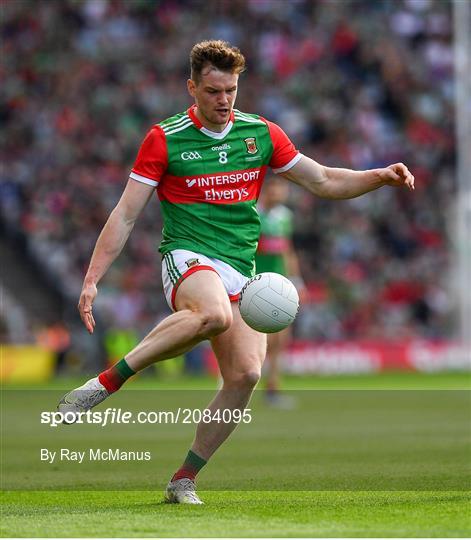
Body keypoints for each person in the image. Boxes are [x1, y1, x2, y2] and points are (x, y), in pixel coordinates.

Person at [58, 40, 414, 504]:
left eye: (230, 90)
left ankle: (183, 479)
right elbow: (126, 214)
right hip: (187, 257)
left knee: (246, 375)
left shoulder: (261, 134)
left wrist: (378, 176)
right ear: (192, 88)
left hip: (241, 272)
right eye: (212, 91)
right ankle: (106, 383)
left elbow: (323, 179)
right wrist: (92, 279)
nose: (224, 100)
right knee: (215, 315)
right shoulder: (163, 138)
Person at [255, 177, 304, 407]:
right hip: (255, 283)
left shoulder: (285, 216)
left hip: (280, 284)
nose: (280, 193)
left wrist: (296, 280)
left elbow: (288, 249)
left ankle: (273, 387)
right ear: (266, 191)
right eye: (275, 188)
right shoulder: (253, 214)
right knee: (257, 340)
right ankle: (238, 385)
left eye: (282, 189)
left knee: (280, 339)